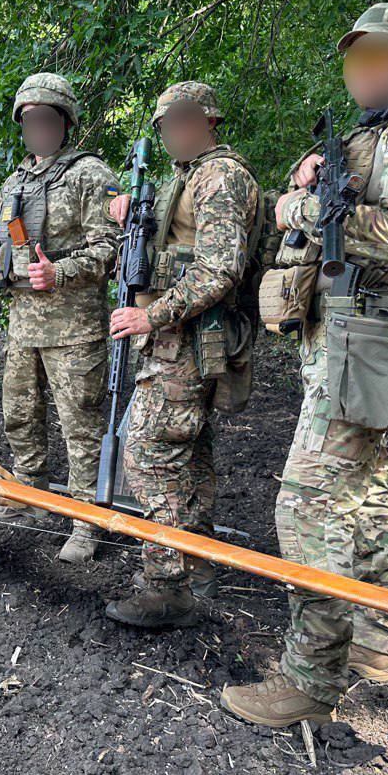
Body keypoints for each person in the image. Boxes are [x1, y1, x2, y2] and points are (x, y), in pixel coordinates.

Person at [222, 3, 388, 727]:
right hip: (353, 331)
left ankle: (310, 679)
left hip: (379, 333)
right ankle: (377, 639)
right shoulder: (377, 132)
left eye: (379, 55)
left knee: (305, 503)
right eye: (354, 58)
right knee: (364, 489)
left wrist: (298, 208)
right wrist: (311, 183)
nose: (363, 70)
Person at [101, 82, 260, 627]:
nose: (170, 133)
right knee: (189, 455)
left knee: (149, 453)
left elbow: (220, 268)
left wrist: (152, 315)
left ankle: (165, 584)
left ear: (207, 120)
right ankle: (199, 568)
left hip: (187, 339)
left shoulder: (221, 175)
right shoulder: (186, 177)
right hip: (179, 340)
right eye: (165, 124)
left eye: (179, 121)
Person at [0, 72, 119, 563]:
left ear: (64, 122)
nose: (37, 127)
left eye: (46, 118)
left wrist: (62, 272)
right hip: (23, 327)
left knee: (80, 428)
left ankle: (84, 521)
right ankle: (29, 498)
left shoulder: (91, 175)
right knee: (19, 418)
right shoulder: (15, 181)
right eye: (29, 120)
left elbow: (111, 249)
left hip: (75, 330)